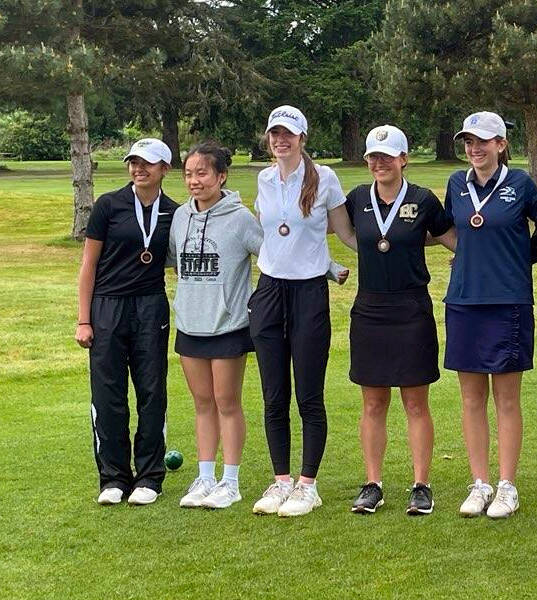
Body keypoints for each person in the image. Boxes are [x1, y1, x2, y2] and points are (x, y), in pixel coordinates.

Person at [249, 105, 356, 517]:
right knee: (274, 395)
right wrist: (327, 263)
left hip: (309, 294)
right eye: (275, 133)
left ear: (302, 139)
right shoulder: (262, 177)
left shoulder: (324, 178)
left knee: (308, 395)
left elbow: (343, 231)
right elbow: (275, 238)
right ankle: (280, 482)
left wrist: (389, 252)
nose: (280, 140)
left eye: (288, 134)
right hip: (270, 292)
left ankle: (308, 485)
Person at [344, 125, 456, 515]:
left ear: (403, 159)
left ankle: (421, 484)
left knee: (415, 403)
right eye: (373, 156)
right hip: (369, 310)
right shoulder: (357, 198)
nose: (379, 163)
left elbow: (451, 237)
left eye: (387, 156)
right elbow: (333, 229)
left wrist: (472, 261)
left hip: (411, 310)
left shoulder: (424, 199)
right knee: (373, 403)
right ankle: (372, 483)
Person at [443, 111, 537, 519]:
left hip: (507, 302)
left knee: (506, 399)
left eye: (483, 141)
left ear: (501, 144)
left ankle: (506, 486)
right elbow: (451, 229)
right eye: (468, 142)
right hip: (464, 301)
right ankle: (480, 483)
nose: (474, 149)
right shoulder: (456, 184)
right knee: (471, 398)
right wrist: (465, 255)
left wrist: (518, 260)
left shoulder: (520, 184)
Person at [76, 138, 178, 506]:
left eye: (147, 163)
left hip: (150, 307)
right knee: (108, 394)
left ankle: (149, 477)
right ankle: (113, 478)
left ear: (164, 168)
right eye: (133, 162)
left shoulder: (174, 212)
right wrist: (83, 320)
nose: (139, 169)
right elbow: (88, 266)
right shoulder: (109, 205)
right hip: (107, 307)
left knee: (152, 392)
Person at [168, 142, 262, 509]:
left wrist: (331, 269)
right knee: (202, 403)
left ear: (221, 176)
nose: (194, 181)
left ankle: (231, 481)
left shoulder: (240, 219)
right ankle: (205, 477)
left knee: (227, 402)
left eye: (202, 173)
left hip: (229, 325)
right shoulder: (180, 217)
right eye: (189, 174)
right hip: (190, 323)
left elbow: (274, 254)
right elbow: (175, 261)